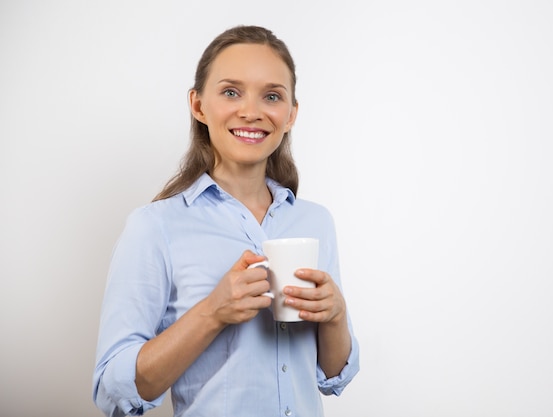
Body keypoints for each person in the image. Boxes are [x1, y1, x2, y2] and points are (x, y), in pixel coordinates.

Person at [92, 25, 360, 417]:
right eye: (231, 92)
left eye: (271, 96)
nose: (251, 111)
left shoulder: (315, 221)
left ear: (290, 115)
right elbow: (112, 390)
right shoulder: (154, 228)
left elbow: (332, 375)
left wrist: (335, 315)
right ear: (198, 105)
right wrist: (213, 312)